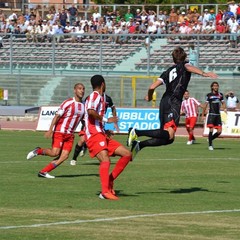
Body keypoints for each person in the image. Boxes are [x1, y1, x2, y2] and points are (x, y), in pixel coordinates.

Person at [126, 47, 218, 159]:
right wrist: (204, 73)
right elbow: (189, 68)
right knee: (169, 134)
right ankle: (136, 132)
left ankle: (140, 145)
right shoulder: (184, 65)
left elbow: (152, 87)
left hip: (164, 102)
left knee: (168, 139)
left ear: (173, 59)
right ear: (184, 57)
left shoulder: (167, 72)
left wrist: (149, 97)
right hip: (173, 102)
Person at [85, 75, 132, 200]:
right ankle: (105, 192)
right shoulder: (94, 96)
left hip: (100, 133)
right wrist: (107, 119)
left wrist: (105, 129)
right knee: (105, 160)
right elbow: (90, 111)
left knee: (127, 154)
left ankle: (109, 180)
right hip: (93, 135)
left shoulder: (99, 98)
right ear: (103, 84)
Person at [26, 83, 85, 178]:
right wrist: (50, 130)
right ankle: (38, 151)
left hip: (70, 135)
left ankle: (43, 172)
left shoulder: (83, 106)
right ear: (75, 90)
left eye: (83, 89)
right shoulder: (68, 102)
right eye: (79, 88)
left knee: (64, 156)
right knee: (55, 153)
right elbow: (57, 116)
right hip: (60, 132)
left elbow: (83, 120)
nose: (82, 91)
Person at [70, 94, 120, 166]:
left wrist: (114, 119)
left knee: (101, 140)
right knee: (82, 140)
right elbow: (85, 110)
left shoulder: (107, 98)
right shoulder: (90, 97)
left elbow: (113, 107)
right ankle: (74, 159)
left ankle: (88, 147)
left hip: (99, 123)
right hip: (89, 123)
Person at [202, 82, 227, 151]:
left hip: (218, 115)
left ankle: (210, 139)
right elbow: (205, 105)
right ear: (212, 87)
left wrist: (224, 108)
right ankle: (210, 145)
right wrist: (203, 115)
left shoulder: (220, 95)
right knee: (211, 129)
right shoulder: (209, 95)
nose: (216, 87)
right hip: (211, 115)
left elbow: (223, 103)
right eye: (214, 86)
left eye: (217, 86)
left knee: (219, 131)